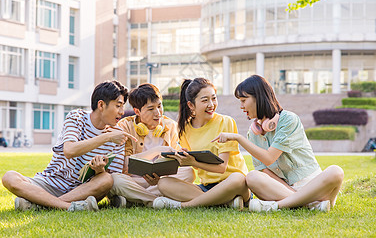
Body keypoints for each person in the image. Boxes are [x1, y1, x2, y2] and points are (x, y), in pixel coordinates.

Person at [211, 75, 344, 212]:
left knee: (336, 171)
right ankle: (310, 205)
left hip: (313, 186)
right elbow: (265, 171)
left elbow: (269, 158)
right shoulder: (253, 134)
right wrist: (293, 194)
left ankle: (277, 206)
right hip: (282, 190)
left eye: (244, 100)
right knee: (252, 177)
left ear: (258, 97)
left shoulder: (288, 119)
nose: (241, 106)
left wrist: (239, 138)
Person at [2, 81, 137, 212]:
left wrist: (99, 170)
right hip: (51, 181)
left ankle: (41, 204)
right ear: (101, 105)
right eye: (118, 106)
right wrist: (106, 137)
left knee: (106, 179)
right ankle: (66, 206)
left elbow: (112, 178)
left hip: (82, 190)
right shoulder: (77, 117)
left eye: (123, 106)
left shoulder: (119, 135)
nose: (122, 112)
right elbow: (69, 150)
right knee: (9, 177)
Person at [153, 78, 250, 209]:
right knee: (164, 183)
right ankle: (224, 202)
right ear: (191, 105)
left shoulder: (226, 122)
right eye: (205, 100)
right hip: (206, 188)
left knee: (238, 178)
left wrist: (193, 162)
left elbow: (222, 168)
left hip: (232, 184)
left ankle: (184, 206)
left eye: (214, 98)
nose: (211, 104)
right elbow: (196, 165)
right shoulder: (184, 129)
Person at [109, 83, 195, 207]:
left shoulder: (170, 126)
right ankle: (156, 201)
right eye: (151, 109)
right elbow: (123, 165)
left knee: (188, 172)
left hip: (161, 180)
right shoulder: (125, 126)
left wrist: (180, 155)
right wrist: (157, 151)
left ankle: (134, 199)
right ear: (137, 111)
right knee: (115, 180)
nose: (158, 113)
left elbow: (176, 163)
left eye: (159, 106)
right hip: (135, 180)